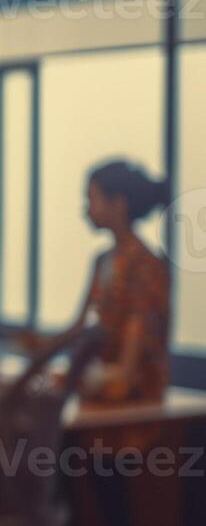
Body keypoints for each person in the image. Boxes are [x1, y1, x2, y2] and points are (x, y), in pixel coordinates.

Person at [52, 159, 172, 402]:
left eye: (92, 199)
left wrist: (112, 378)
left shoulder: (145, 264)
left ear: (118, 205)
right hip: (102, 390)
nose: (86, 210)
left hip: (136, 402)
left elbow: (135, 337)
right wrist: (35, 354)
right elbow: (78, 327)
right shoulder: (103, 259)